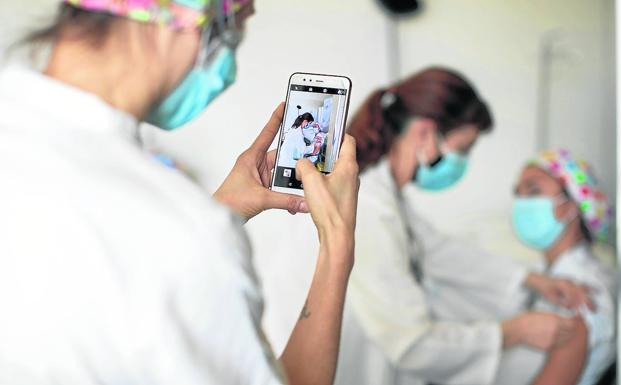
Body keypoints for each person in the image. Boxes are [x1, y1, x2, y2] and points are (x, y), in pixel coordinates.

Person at [0, 1, 359, 385]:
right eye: (233, 32)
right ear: (188, 21)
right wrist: (337, 246)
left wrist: (222, 210)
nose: (228, 70)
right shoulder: (188, 234)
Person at [334, 68, 594, 385]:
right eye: (463, 148)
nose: (463, 161)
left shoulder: (386, 199)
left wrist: (531, 279)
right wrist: (515, 330)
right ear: (426, 134)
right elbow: (412, 345)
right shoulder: (370, 209)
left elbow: (441, 252)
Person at [493, 149, 615, 385]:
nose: (520, 202)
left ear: (570, 207)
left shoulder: (582, 293)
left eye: (534, 190)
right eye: (517, 192)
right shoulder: (542, 273)